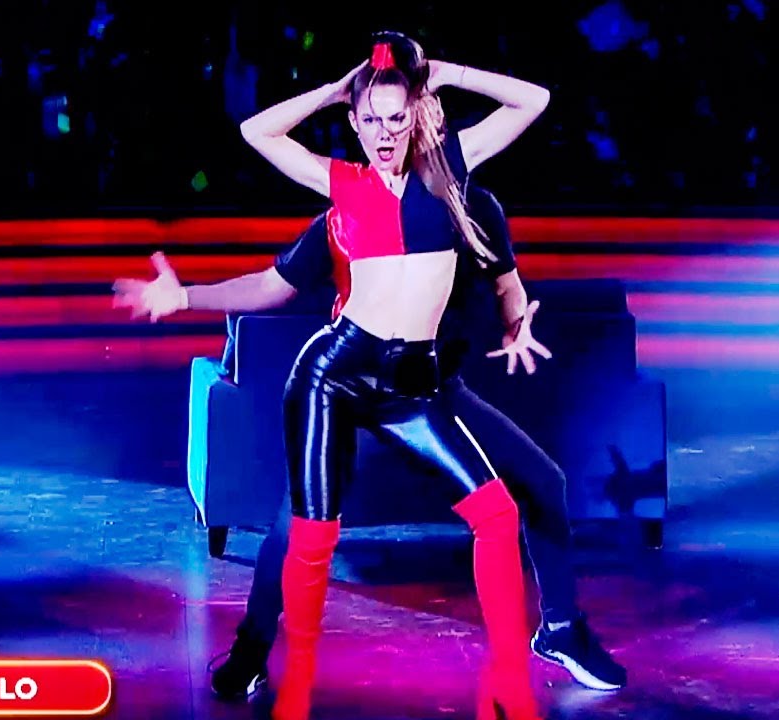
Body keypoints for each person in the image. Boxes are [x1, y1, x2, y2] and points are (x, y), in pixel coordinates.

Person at [130, 31, 551, 720]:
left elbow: (533, 100)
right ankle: (293, 688)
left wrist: (446, 71)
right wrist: (334, 90)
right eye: (371, 120)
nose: (384, 134)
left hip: (411, 389)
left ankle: (511, 684)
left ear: (416, 114)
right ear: (354, 124)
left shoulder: (448, 173)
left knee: (498, 516)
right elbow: (257, 135)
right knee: (311, 535)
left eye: (396, 117)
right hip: (335, 375)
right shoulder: (343, 189)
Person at [115, 188, 629, 699]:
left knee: (544, 482)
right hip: (352, 391)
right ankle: (250, 653)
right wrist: (186, 297)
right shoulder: (354, 212)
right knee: (297, 522)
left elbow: (507, 284)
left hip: (433, 392)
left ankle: (561, 630)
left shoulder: (477, 208)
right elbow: (273, 285)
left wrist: (518, 324)